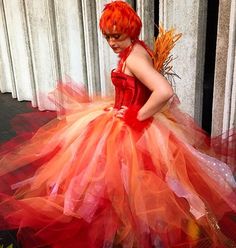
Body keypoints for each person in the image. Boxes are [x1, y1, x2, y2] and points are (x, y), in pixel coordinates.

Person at [0, 1, 235, 247]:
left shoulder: (134, 58)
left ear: (130, 32)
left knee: (126, 180)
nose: (112, 43)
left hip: (132, 128)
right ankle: (128, 229)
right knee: (115, 179)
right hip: (120, 117)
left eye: (117, 36)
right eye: (108, 37)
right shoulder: (135, 49)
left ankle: (135, 231)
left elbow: (163, 91)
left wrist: (137, 115)